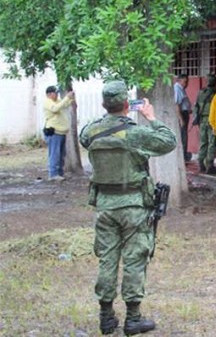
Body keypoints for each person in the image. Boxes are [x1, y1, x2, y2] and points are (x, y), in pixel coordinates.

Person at [79, 81, 176, 335]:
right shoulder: (134, 133)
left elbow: (84, 135)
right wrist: (151, 117)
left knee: (107, 259)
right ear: (126, 104)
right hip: (133, 205)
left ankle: (106, 316)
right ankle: (133, 319)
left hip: (104, 206)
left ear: (103, 105)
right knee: (135, 259)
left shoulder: (92, 132)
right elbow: (169, 141)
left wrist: (107, 116)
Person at [43, 85, 75, 181]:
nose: (56, 95)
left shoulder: (57, 101)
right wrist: (67, 98)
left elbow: (64, 105)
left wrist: (71, 99)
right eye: (55, 93)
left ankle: (60, 173)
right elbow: (55, 108)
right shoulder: (48, 102)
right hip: (54, 132)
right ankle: (53, 174)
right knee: (54, 154)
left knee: (61, 154)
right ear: (49, 94)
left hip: (61, 132)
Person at [192, 75, 216, 174]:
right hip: (212, 121)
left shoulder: (201, 92)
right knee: (212, 143)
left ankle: (201, 163)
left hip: (202, 120)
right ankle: (209, 165)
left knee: (203, 142)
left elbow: (196, 107)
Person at [174, 74, 192, 162]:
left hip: (185, 113)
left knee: (184, 136)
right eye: (185, 82)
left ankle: (184, 156)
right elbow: (177, 105)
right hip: (181, 115)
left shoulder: (181, 89)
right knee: (183, 137)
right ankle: (182, 157)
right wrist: (181, 119)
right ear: (179, 80)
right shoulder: (177, 89)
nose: (186, 84)